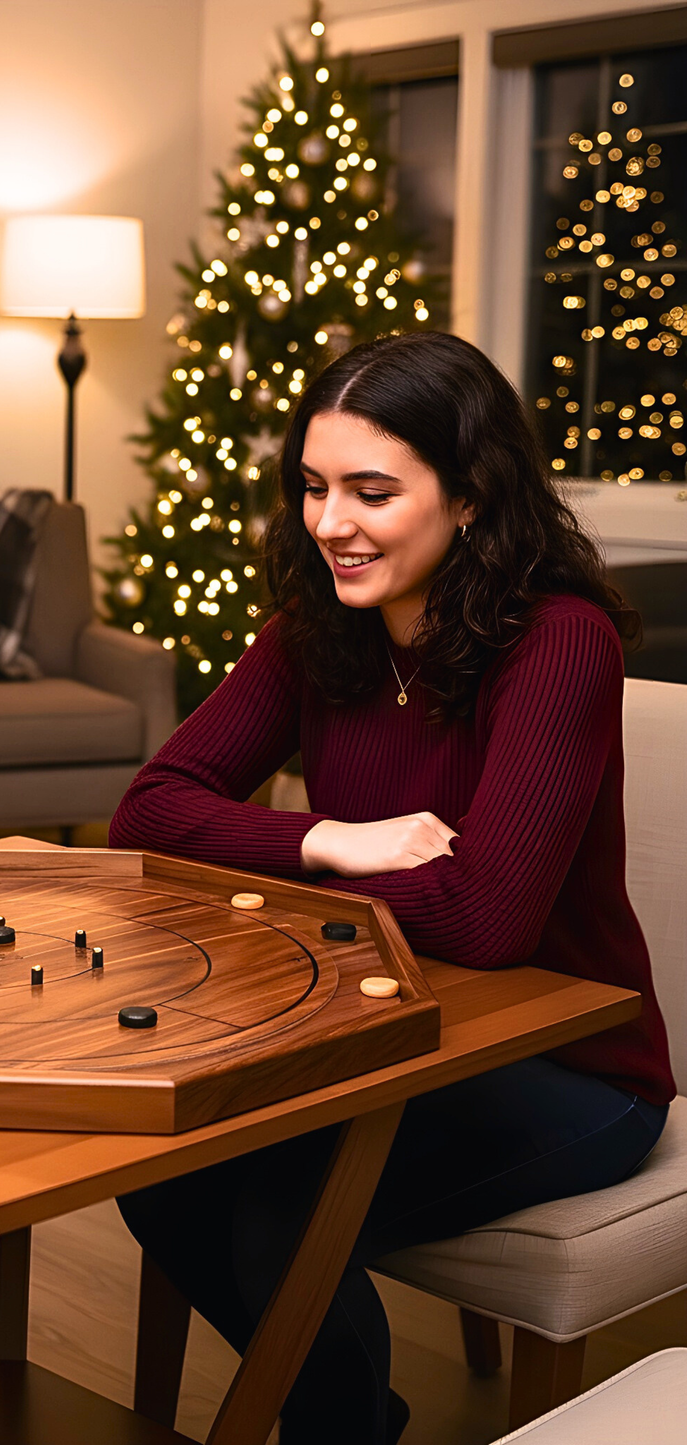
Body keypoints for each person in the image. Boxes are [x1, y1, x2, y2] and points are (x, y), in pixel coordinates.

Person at [109, 330, 675, 1445]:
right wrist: (331, 840)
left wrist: (273, 865)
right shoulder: (318, 629)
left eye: (371, 490)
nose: (329, 523)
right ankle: (357, 1410)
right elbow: (150, 806)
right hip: (390, 1033)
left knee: (280, 1207)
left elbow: (487, 916)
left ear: (468, 495)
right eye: (312, 487)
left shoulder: (560, 641)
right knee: (159, 1178)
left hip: (569, 1061)